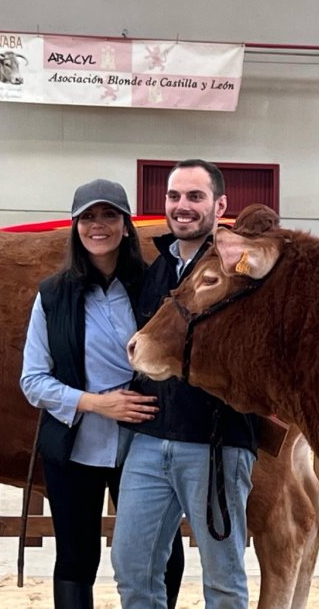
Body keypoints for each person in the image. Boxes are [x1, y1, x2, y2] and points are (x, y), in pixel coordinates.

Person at [112, 159, 261, 608]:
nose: (182, 207)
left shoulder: (240, 270)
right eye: (174, 197)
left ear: (220, 205)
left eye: (195, 197)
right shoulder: (156, 269)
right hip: (149, 439)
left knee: (222, 577)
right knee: (131, 567)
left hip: (216, 443)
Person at [20, 179, 161, 608]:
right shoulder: (52, 294)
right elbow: (32, 381)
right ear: (75, 226)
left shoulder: (154, 287)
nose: (98, 226)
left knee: (155, 556)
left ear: (125, 225)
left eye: (109, 215)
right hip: (73, 446)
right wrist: (99, 403)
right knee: (76, 558)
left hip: (144, 445)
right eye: (88, 217)